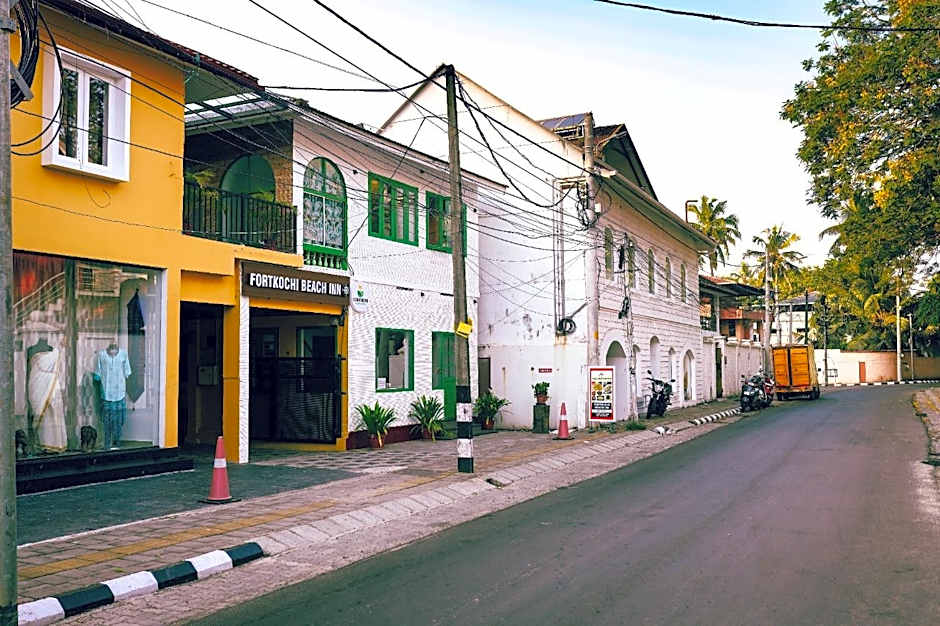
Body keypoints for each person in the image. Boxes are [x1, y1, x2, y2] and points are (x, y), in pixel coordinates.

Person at [95, 342, 131, 449]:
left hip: (119, 392)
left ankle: (117, 442)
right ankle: (107, 443)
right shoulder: (101, 355)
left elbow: (127, 371)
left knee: (119, 419)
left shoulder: (124, 354)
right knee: (107, 420)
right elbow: (97, 374)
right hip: (106, 393)